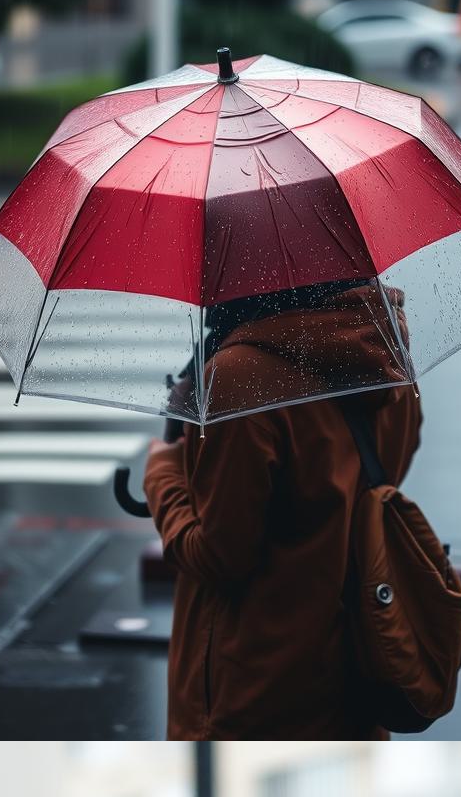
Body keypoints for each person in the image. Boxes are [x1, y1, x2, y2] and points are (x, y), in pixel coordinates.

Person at [143, 278, 423, 740]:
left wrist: (164, 472)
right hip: (356, 676)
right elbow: (379, 476)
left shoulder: (238, 378)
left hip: (255, 692)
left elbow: (220, 556)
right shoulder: (386, 353)